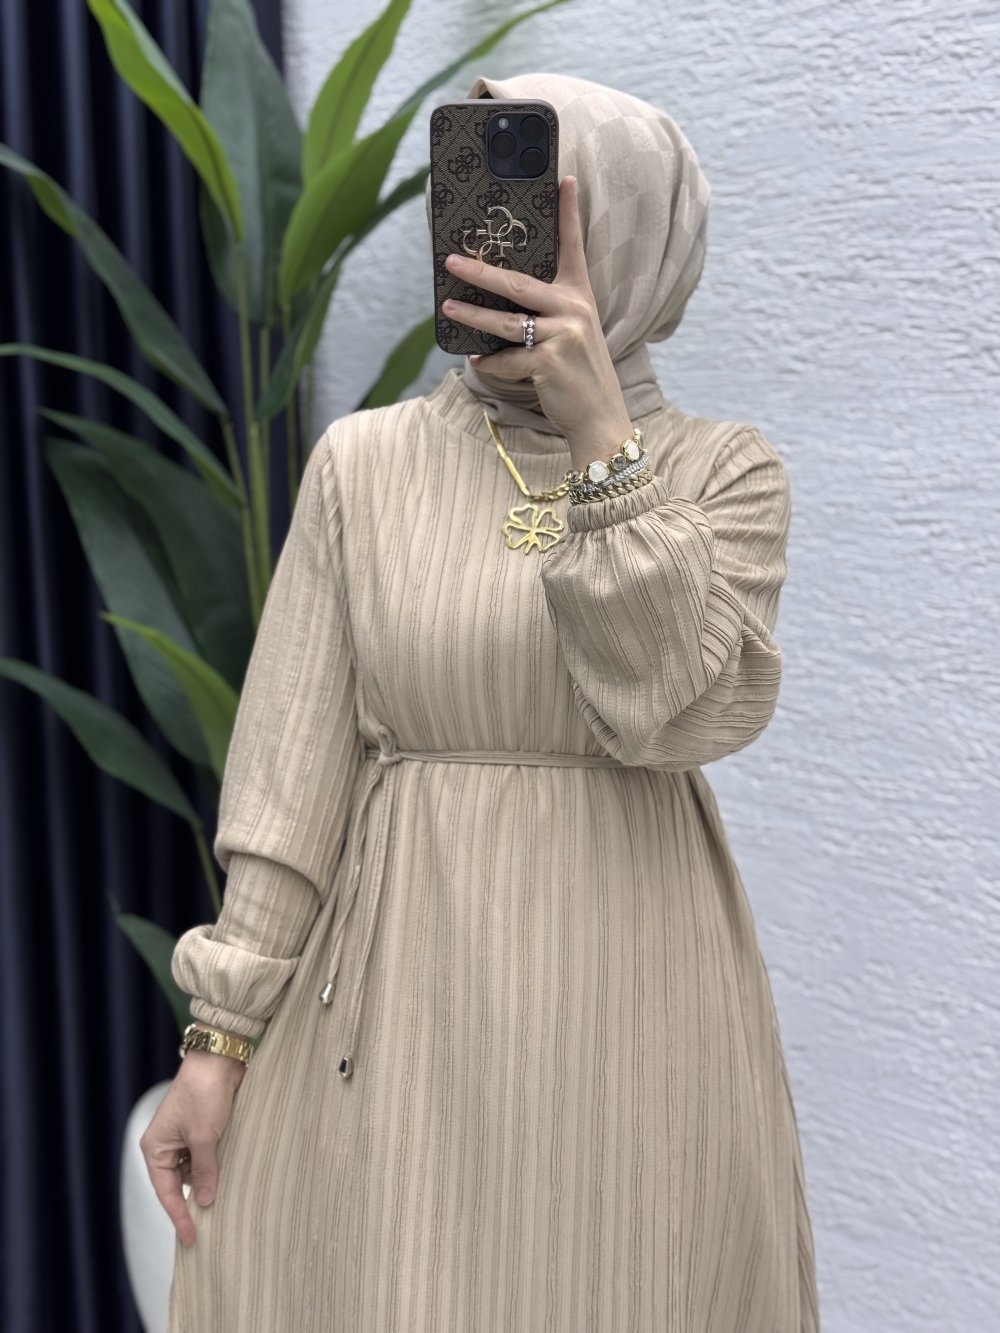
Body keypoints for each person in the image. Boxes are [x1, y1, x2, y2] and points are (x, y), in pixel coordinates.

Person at [145, 71, 820, 1332]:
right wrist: (215, 1041)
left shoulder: (722, 473)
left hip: (630, 994)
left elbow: (671, 711)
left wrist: (604, 447)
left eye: (545, 212)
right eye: (467, 197)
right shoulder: (364, 464)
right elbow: (291, 779)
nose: (487, 243)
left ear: (627, 233)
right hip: (399, 996)